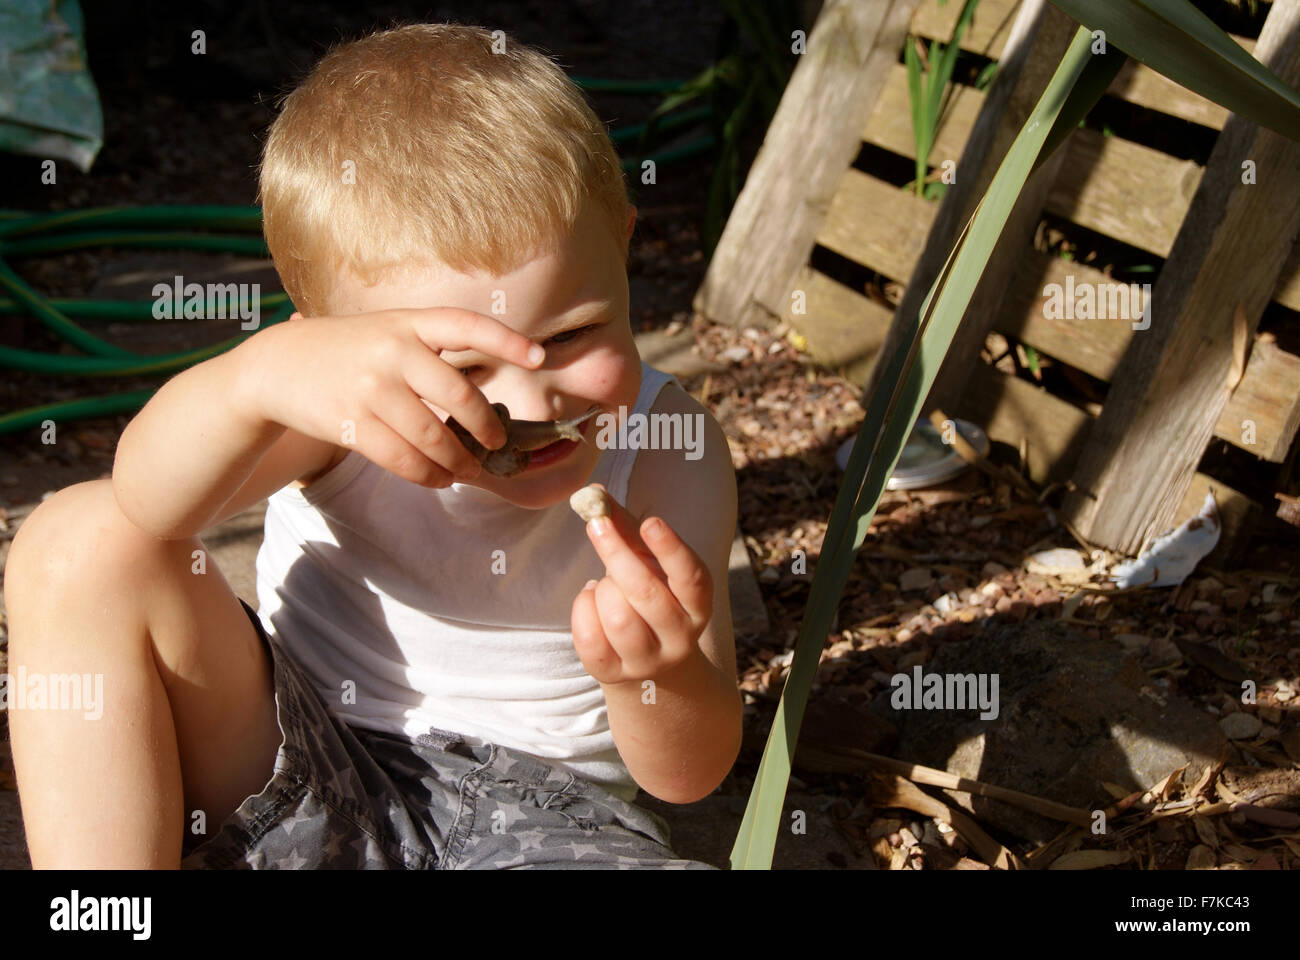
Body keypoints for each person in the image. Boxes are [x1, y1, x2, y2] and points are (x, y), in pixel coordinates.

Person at [4, 22, 741, 869]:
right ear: (335, 350)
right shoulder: (350, 405)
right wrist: (259, 378)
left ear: (624, 242)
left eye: (573, 334)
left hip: (552, 823)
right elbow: (149, 504)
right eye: (461, 368)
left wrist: (660, 674)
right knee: (74, 538)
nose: (531, 402)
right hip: (298, 759)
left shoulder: (667, 450)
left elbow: (691, 773)